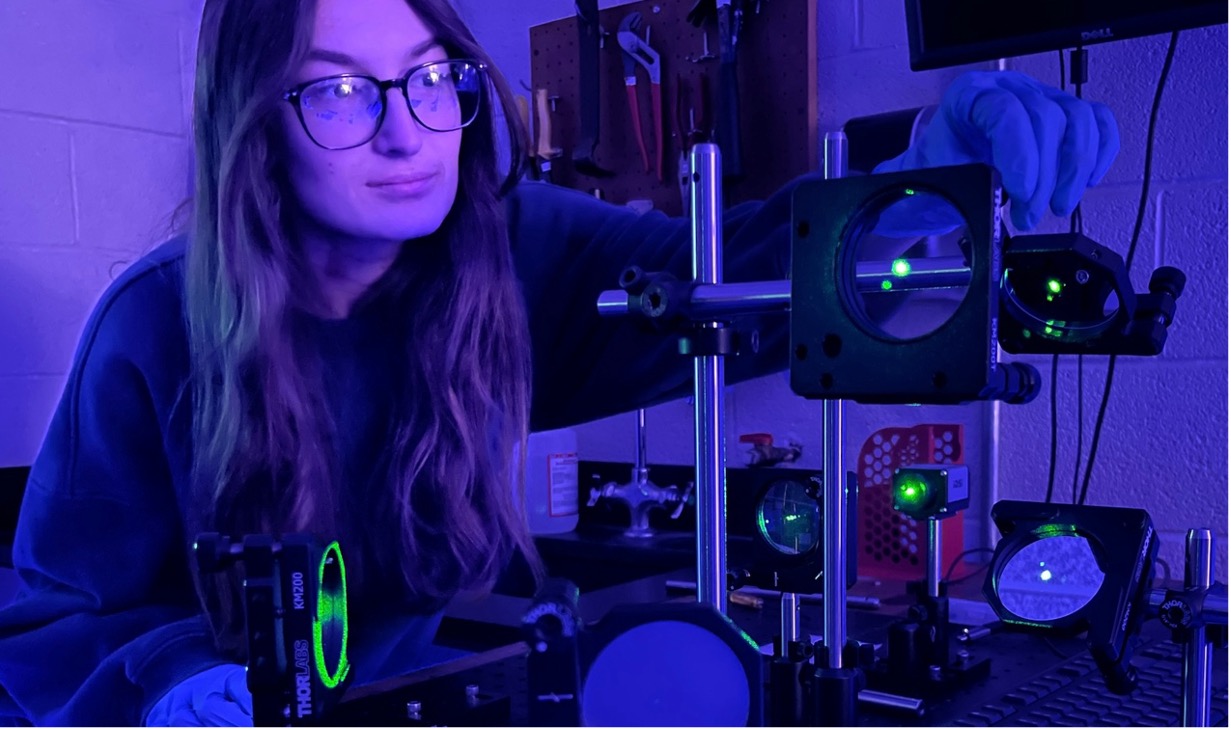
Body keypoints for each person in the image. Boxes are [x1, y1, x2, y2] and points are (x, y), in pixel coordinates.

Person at [0, 0, 1119, 725]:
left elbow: (733, 284)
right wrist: (176, 678)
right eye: (340, 91)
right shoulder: (159, 327)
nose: (406, 129)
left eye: (432, 76)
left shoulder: (514, 245)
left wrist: (921, 198)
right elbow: (46, 629)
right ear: (252, 123)